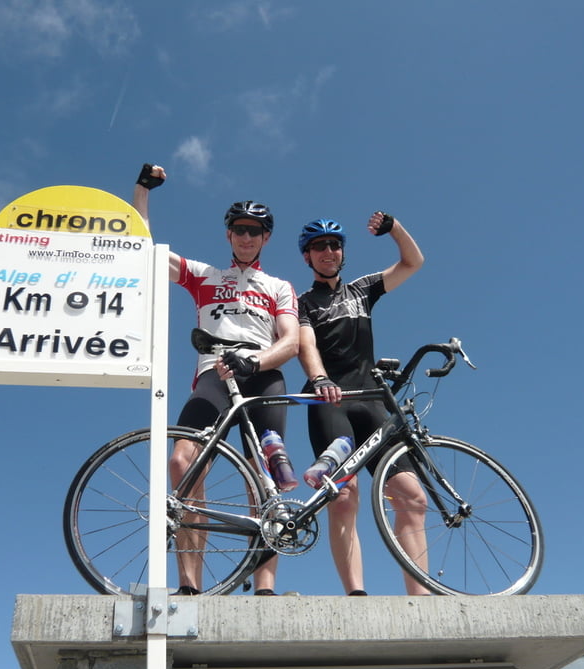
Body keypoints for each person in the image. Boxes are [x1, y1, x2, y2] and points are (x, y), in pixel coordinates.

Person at [133, 163, 299, 595]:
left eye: (255, 230)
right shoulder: (206, 275)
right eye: (239, 229)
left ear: (266, 238)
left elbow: (292, 342)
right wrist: (142, 191)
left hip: (262, 379)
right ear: (228, 235)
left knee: (262, 480)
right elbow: (144, 249)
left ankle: (264, 588)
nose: (247, 237)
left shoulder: (279, 286)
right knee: (181, 463)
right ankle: (190, 586)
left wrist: (255, 362)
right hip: (214, 375)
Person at [296, 212, 430, 595]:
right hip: (330, 400)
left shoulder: (362, 290)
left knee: (412, 497)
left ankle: (422, 599)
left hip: (370, 402)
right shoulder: (302, 302)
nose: (328, 251)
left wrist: (394, 228)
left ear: (342, 252)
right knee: (343, 497)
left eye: (334, 244)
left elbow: (413, 262)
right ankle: (356, 594)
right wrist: (319, 378)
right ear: (307, 256)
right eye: (318, 246)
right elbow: (306, 344)